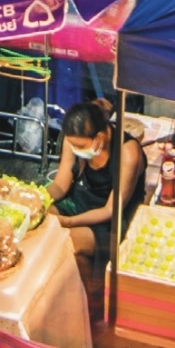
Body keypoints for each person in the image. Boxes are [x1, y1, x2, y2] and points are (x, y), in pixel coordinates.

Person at [51, 101, 143, 282]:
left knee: (67, 244)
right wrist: (36, 200)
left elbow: (110, 210)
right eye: (73, 146)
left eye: (81, 147)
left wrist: (69, 222)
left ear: (100, 136)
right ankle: (83, 293)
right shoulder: (74, 140)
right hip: (79, 203)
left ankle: (94, 296)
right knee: (40, 221)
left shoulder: (128, 153)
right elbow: (60, 185)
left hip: (112, 221)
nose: (76, 150)